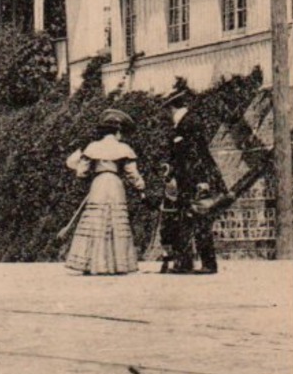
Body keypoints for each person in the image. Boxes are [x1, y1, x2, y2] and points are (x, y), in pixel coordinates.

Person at [63, 108, 148, 275]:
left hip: (99, 184)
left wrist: (88, 170)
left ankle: (93, 264)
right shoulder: (123, 148)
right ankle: (118, 264)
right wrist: (141, 186)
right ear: (116, 131)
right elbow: (132, 173)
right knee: (116, 221)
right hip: (116, 185)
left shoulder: (93, 147)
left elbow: (82, 172)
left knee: (96, 221)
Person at [164, 88, 226, 275]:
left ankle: (208, 263)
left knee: (199, 220)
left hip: (195, 180)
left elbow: (198, 154)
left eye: (167, 110)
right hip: (186, 180)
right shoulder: (184, 124)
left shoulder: (189, 123)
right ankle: (185, 263)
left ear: (172, 108)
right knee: (185, 219)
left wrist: (202, 181)